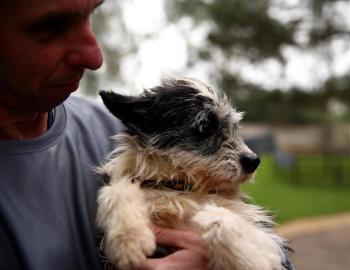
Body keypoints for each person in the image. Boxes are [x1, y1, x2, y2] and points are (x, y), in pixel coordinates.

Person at [0, 0, 208, 269]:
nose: (95, 57)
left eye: (90, 14)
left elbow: (257, 235)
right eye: (52, 27)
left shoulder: (127, 135)